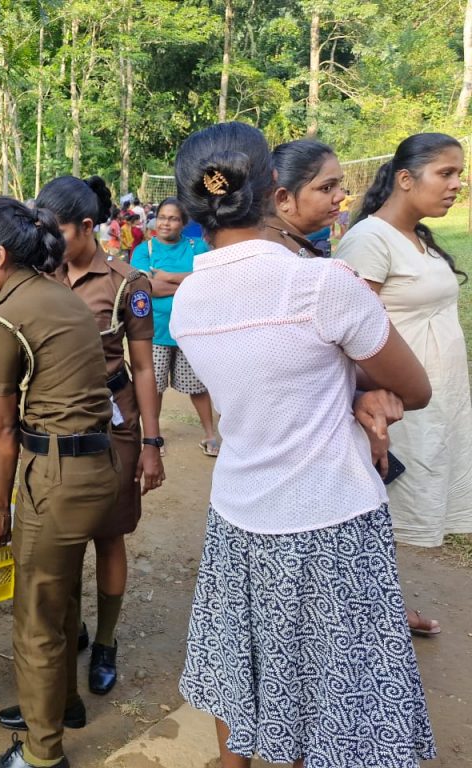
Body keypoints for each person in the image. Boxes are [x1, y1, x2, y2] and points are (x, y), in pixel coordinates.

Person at [170, 122, 435, 768]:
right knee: (330, 690)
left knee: (244, 667)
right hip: (330, 518)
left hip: (239, 514)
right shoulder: (322, 285)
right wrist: (360, 391)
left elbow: (267, 380)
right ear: (273, 189)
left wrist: (347, 390)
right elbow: (414, 387)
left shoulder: (189, 301)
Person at [0, 197, 120, 768]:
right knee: (63, 596)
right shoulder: (62, 295)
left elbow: (4, 431)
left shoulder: (4, 318)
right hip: (97, 466)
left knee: (36, 620)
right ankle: (61, 703)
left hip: (55, 480)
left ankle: (41, 753)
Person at [34, 175, 163, 700]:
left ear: (87, 226)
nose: (47, 242)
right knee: (62, 537)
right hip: (56, 424)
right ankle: (75, 628)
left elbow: (144, 367)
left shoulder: (127, 284)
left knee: (108, 535)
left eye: (57, 231)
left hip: (114, 424)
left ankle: (105, 640)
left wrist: (152, 444)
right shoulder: (40, 276)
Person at [337, 132, 472, 635]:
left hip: (435, 401)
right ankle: (365, 618)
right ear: (406, 179)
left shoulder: (417, 236)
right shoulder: (369, 240)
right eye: (446, 173)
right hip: (395, 405)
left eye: (459, 174)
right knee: (377, 512)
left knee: (391, 515)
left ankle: (380, 610)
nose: (457, 184)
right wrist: (367, 404)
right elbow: (350, 333)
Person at [130, 198, 217, 456]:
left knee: (197, 387)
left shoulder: (197, 246)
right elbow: (147, 288)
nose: (166, 223)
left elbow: (209, 280)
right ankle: (153, 437)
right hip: (154, 331)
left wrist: (167, 277)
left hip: (190, 330)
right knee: (154, 388)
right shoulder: (144, 250)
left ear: (183, 223)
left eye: (173, 218)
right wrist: (189, 282)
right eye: (162, 217)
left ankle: (210, 436)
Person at [265, 140, 346, 259]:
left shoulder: (282, 242)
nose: (341, 196)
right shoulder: (278, 255)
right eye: (326, 188)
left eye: (339, 184)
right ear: (284, 199)